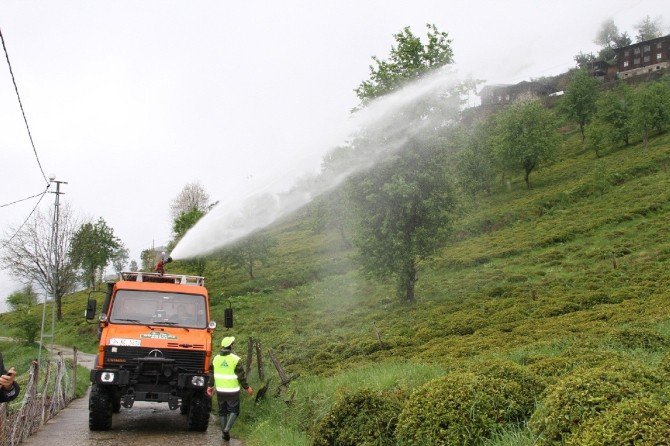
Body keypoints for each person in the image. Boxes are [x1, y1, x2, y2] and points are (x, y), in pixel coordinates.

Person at [206, 336, 253, 442]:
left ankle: (224, 434)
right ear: (231, 346)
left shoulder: (216, 359)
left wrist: (210, 386)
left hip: (220, 391)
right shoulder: (235, 359)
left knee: (222, 412)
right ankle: (227, 429)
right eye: (233, 344)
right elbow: (241, 376)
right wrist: (247, 388)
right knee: (235, 411)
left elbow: (211, 374)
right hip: (232, 391)